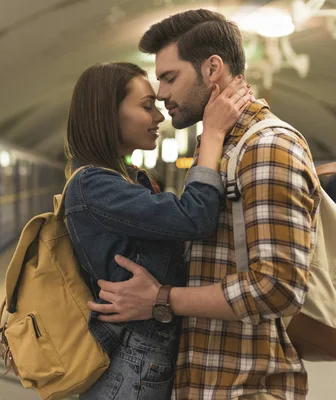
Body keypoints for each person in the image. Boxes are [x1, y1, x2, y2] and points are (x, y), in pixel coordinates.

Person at [86, 9, 322, 400]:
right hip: (208, 382)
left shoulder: (267, 147)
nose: (161, 94)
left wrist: (161, 299)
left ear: (212, 68)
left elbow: (277, 286)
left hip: (246, 388)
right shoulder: (218, 147)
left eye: (170, 77)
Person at [63, 62, 252, 399]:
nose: (159, 117)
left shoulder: (126, 178)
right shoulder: (93, 185)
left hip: (142, 361)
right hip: (130, 367)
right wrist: (211, 136)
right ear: (108, 114)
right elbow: (194, 218)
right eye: (147, 106)